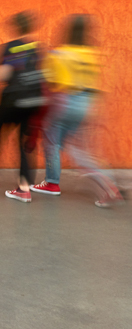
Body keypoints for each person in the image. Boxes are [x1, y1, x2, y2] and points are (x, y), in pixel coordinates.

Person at [31, 15, 123, 207]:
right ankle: (109, 182)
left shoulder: (59, 54)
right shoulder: (91, 54)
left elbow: (49, 80)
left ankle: (53, 184)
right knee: (81, 151)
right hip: (87, 104)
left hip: (65, 102)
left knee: (53, 143)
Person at [0, 11, 46, 202]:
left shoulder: (10, 48)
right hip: (33, 103)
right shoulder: (38, 49)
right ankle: (23, 188)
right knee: (24, 145)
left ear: (15, 28)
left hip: (11, 101)